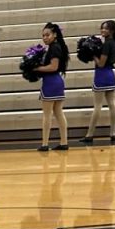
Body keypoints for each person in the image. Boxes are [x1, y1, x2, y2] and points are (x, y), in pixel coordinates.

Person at [82, 20, 115, 145]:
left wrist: (92, 54)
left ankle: (89, 134)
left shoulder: (106, 44)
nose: (103, 30)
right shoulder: (113, 43)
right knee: (112, 104)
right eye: (102, 28)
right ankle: (113, 133)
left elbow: (101, 63)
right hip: (111, 75)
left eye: (106, 28)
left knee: (97, 106)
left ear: (112, 31)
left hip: (102, 74)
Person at [36, 22, 70, 152]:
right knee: (58, 112)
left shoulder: (54, 48)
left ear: (54, 35)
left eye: (47, 35)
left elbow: (53, 67)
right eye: (43, 35)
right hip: (57, 81)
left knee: (47, 114)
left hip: (51, 81)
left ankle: (45, 143)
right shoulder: (56, 46)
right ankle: (64, 142)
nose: (45, 37)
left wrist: (37, 68)